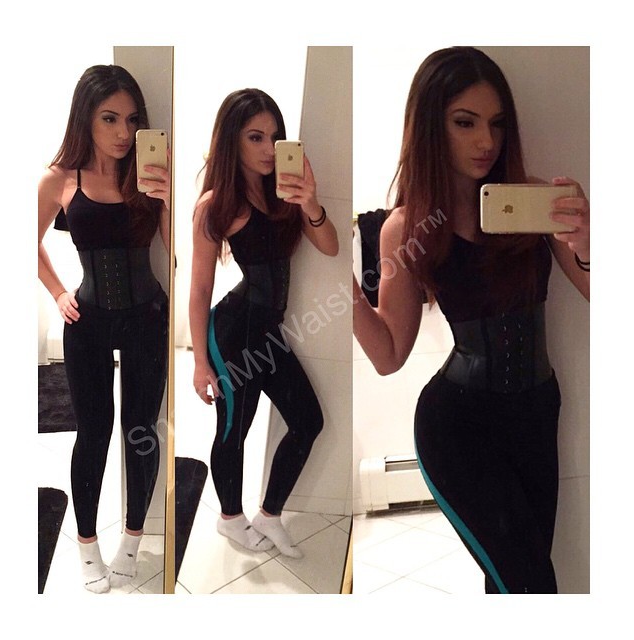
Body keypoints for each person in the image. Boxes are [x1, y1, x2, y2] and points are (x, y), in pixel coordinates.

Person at [352, 47, 589, 593]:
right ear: (431, 125)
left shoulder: (539, 202)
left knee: (512, 583)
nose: (486, 141)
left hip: (537, 413)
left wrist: (585, 242)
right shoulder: (408, 227)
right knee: (531, 588)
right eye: (465, 122)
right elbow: (389, 355)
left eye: (497, 124)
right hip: (458, 427)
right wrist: (342, 294)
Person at [38, 65, 171, 593]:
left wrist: (167, 199)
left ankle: (132, 540)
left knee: (141, 430)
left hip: (147, 318)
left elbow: (176, 253)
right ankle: (87, 542)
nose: (123, 132)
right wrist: (57, 291)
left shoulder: (149, 173)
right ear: (85, 118)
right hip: (88, 321)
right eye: (109, 118)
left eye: (132, 120)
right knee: (93, 432)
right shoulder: (59, 179)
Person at [189, 88, 338, 558]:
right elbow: (199, 289)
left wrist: (311, 202)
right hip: (233, 334)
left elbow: (331, 246)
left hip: (269, 335)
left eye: (275, 137)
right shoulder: (217, 204)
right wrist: (199, 361)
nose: (269, 148)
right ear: (232, 140)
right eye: (256, 137)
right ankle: (230, 518)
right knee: (234, 430)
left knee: (308, 422)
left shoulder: (285, 193)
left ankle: (269, 514)